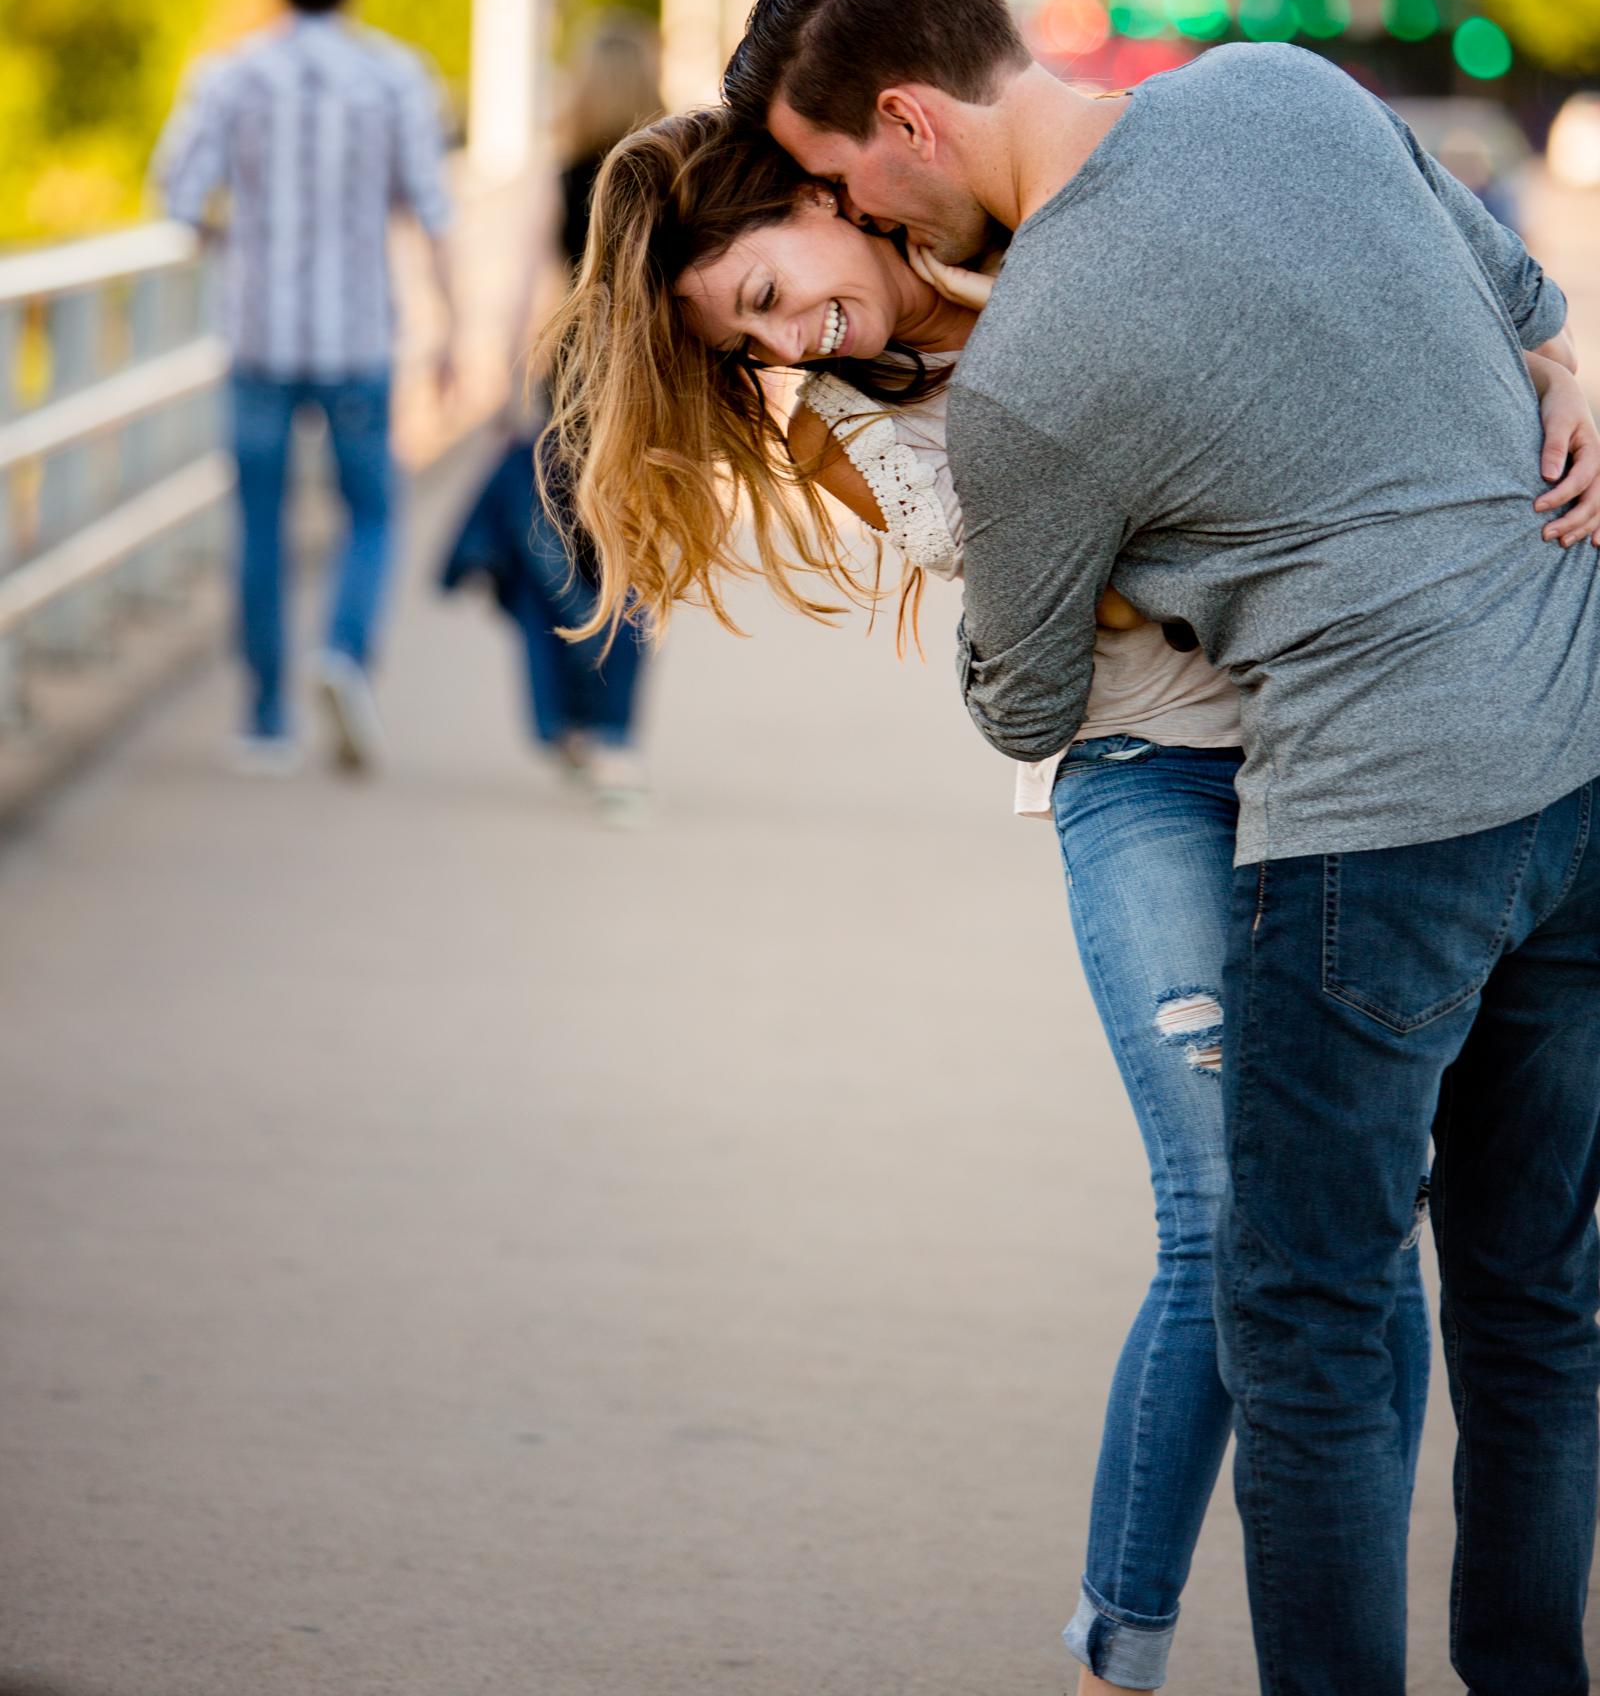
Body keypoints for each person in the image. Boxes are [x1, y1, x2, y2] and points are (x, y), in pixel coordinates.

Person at [541, 108, 1598, 1690]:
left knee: (1385, 1242)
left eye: (767, 291)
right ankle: (1123, 1645)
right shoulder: (835, 418)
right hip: (1137, 769)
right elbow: (1062, 596)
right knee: (1234, 1217)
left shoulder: (1046, 226)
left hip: (1334, 742)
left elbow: (1355, 319)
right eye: (746, 342)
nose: (787, 341)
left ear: (825, 193)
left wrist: (1553, 367)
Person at [161, 0, 456, 775]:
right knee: (372, 510)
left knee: (261, 524)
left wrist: (232, 241)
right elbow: (433, 211)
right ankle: (344, 649)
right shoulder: (395, 75)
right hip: (357, 337)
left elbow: (179, 196)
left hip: (258, 336)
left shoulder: (230, 76)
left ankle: (264, 718)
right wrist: (448, 326)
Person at [439, 16, 658, 819]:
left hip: (570, 386)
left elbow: (530, 288)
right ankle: (614, 737)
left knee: (561, 556)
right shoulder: (673, 178)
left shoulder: (563, 176)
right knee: (634, 562)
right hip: (651, 388)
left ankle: (569, 720)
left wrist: (505, 390)